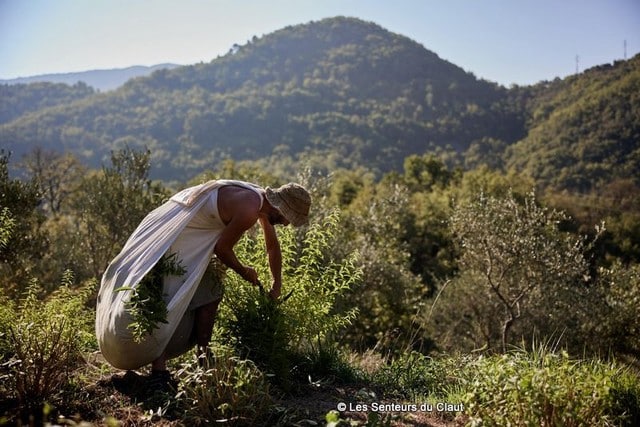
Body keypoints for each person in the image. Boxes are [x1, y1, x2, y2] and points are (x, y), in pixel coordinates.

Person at [95, 179, 311, 389]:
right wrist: (244, 271)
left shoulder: (261, 203)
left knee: (212, 290)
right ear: (279, 206)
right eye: (286, 218)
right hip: (175, 236)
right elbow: (222, 249)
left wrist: (277, 284)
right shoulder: (249, 209)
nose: (285, 223)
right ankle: (159, 373)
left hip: (196, 238)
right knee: (168, 298)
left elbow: (272, 247)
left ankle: (203, 359)